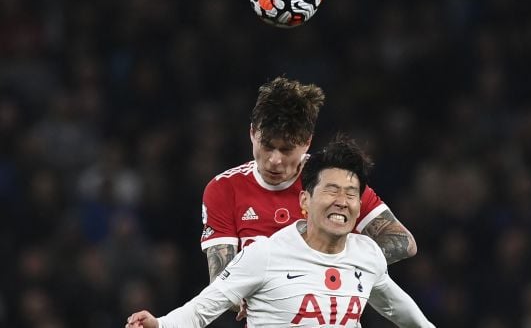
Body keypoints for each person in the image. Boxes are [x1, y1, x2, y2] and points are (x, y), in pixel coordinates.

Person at [126, 136, 435, 327]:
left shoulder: (366, 255)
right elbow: (203, 309)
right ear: (305, 200)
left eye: (351, 194)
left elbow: (400, 310)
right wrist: (160, 325)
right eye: (331, 191)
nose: (341, 202)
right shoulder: (265, 255)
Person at [201, 76, 417, 287]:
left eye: (286, 149)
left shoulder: (334, 178)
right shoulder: (224, 189)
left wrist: (335, 267)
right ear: (252, 133)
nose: (275, 160)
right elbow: (221, 283)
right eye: (267, 146)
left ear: (307, 142)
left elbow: (402, 241)